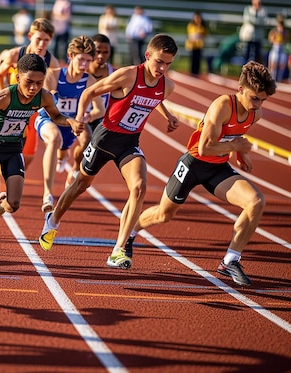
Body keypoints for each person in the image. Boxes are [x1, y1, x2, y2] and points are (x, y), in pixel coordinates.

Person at [39, 34, 180, 270]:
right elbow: (88, 93)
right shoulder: (128, 75)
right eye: (158, 62)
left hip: (129, 143)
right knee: (80, 185)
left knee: (139, 187)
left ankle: (118, 249)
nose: (162, 68)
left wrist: (169, 116)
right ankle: (52, 221)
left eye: (168, 64)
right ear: (147, 56)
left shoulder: (167, 86)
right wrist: (80, 118)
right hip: (105, 138)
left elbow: (153, 98)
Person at [130, 61, 276, 286]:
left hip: (217, 168)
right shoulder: (223, 106)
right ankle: (131, 231)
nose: (257, 105)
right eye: (254, 98)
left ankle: (230, 260)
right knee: (164, 214)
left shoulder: (255, 114)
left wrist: (240, 155)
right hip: (193, 164)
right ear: (240, 90)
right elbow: (205, 147)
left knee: (256, 202)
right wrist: (237, 148)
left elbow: (232, 137)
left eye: (263, 100)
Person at [0, 53, 84, 216]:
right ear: (18, 78)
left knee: (13, 205)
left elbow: (57, 116)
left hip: (13, 149)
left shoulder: (44, 97)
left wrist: (71, 121)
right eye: (29, 82)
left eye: (39, 83)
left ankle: (1, 201)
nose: (33, 88)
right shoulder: (4, 97)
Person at [34, 35, 105, 212]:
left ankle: (73, 168)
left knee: (88, 138)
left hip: (74, 122)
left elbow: (100, 110)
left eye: (88, 61)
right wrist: (53, 95)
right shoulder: (54, 74)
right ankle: (48, 194)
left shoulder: (89, 81)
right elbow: (45, 96)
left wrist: (87, 117)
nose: (84, 65)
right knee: (55, 140)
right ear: (71, 56)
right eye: (81, 59)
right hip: (49, 119)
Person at [0, 18, 60, 170]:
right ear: (30, 36)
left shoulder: (52, 62)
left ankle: (9, 178)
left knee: (29, 154)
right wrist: (2, 98)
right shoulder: (15, 54)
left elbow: (52, 88)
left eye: (46, 40)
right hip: (10, 108)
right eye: (38, 39)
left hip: (32, 111)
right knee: (1, 150)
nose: (41, 44)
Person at [66, 33, 115, 188]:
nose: (101, 56)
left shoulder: (113, 73)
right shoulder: (83, 70)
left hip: (99, 115)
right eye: (98, 51)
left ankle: (78, 167)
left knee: (95, 147)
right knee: (86, 140)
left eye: (105, 52)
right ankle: (74, 166)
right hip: (77, 114)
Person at [267, 14, 289, 82]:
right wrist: (274, 38)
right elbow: (270, 39)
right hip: (275, 49)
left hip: (282, 49)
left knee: (281, 66)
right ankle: (271, 79)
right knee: (272, 65)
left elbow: (286, 39)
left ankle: (279, 79)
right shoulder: (274, 31)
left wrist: (282, 36)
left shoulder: (285, 32)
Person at [186, 11, 207, 76]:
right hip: (192, 46)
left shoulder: (202, 26)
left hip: (199, 45)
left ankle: (196, 72)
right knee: (192, 60)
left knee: (198, 60)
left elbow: (204, 34)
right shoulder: (191, 25)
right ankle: (192, 72)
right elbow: (190, 35)